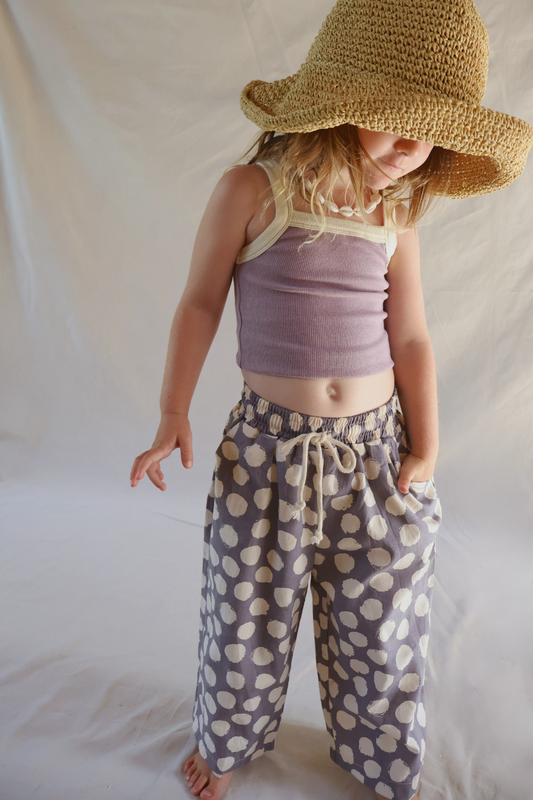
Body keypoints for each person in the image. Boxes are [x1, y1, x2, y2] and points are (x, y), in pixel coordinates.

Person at [130, 0, 533, 798]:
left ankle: (380, 758)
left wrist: (425, 445)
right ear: (343, 101)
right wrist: (173, 412)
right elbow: (200, 302)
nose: (411, 145)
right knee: (244, 615)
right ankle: (228, 740)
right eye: (395, 118)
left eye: (429, 131)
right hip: (268, 454)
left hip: (375, 458)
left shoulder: (394, 215)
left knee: (381, 625)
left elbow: (410, 337)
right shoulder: (252, 189)